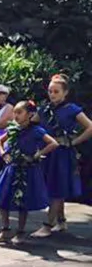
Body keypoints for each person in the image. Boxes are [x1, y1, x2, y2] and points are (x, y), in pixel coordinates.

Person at [32, 74, 92, 238]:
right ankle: (61, 220)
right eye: (50, 91)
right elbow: (31, 124)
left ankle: (47, 225)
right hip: (47, 151)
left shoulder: (72, 109)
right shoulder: (44, 109)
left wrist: (74, 142)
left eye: (56, 91)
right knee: (53, 185)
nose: (52, 94)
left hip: (62, 153)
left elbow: (90, 127)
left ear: (65, 93)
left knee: (57, 187)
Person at [0, 101, 57, 245]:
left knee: (23, 202)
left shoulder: (36, 131)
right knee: (4, 199)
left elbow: (53, 143)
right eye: (14, 112)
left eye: (19, 112)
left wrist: (38, 154)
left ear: (30, 115)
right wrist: (3, 154)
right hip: (11, 167)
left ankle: (20, 231)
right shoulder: (13, 129)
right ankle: (5, 228)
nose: (15, 115)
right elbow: (0, 141)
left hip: (27, 169)